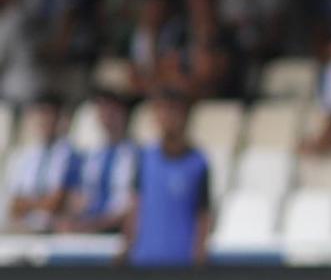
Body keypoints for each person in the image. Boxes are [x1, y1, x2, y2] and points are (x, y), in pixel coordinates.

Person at [122, 91, 213, 267]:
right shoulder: (144, 158)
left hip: (182, 263)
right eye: (162, 111)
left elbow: (203, 213)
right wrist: (127, 246)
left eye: (173, 111)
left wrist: (200, 253)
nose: (167, 118)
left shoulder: (198, 163)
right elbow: (135, 205)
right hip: (144, 260)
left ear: (185, 116)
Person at [61, 91, 140, 234]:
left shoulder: (137, 155)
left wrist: (97, 224)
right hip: (88, 228)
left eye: (112, 110)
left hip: (120, 230)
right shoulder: (89, 157)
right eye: (102, 110)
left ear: (124, 114)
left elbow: (134, 203)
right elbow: (74, 198)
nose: (107, 116)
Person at [5, 95, 75, 231]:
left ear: (60, 119)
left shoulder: (71, 155)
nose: (45, 120)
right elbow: (14, 206)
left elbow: (57, 202)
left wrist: (28, 203)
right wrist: (41, 202)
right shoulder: (21, 156)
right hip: (22, 227)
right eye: (41, 114)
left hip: (54, 229)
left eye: (50, 115)